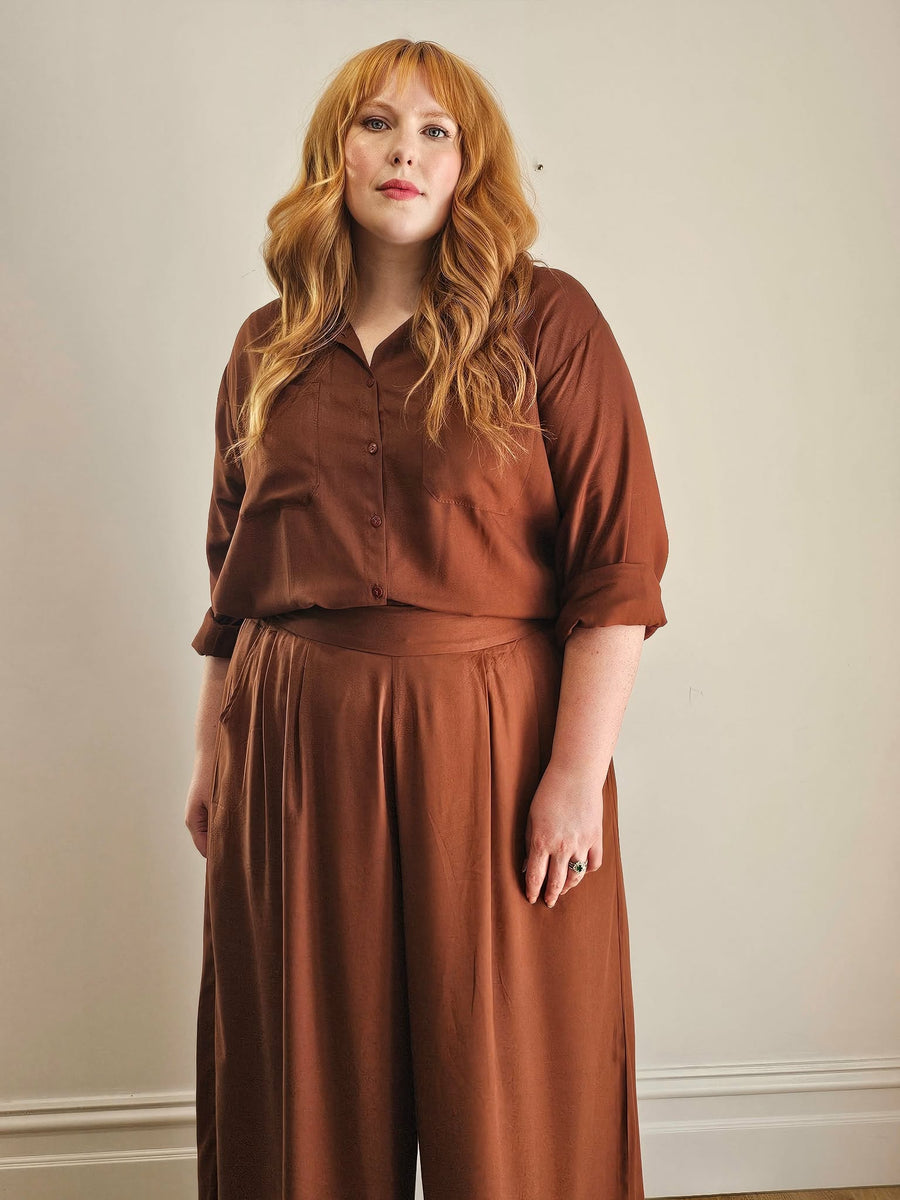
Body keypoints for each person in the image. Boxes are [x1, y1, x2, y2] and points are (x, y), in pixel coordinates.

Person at [184, 36, 669, 1200]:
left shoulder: (549, 324)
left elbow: (617, 569)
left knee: (508, 1090)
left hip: (495, 748)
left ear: (470, 165)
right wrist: (216, 749)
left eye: (436, 131)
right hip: (293, 747)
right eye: (377, 124)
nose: (404, 152)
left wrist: (573, 774)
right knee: (298, 1084)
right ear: (334, 153)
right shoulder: (267, 344)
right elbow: (232, 578)